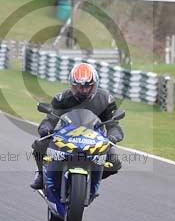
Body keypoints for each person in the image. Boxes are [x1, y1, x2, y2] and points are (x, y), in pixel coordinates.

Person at [30, 62, 124, 190]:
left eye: (87, 86)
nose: (83, 90)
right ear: (72, 85)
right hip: (66, 136)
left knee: (115, 163)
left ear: (94, 85)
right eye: (79, 87)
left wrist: (113, 137)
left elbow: (113, 124)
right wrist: (45, 128)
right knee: (39, 145)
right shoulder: (62, 98)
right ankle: (41, 174)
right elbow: (50, 118)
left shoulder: (106, 99)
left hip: (95, 139)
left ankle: (92, 178)